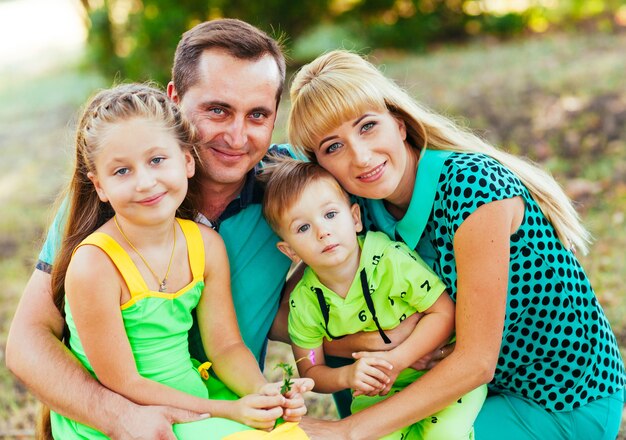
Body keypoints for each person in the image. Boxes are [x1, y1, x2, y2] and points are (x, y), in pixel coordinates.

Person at [287, 50, 626, 439]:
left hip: (557, 397)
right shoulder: (355, 208)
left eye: (367, 126)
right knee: (338, 311)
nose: (361, 157)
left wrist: (346, 431)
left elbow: (476, 362)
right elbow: (292, 318)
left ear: (399, 124)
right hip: (466, 390)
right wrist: (389, 342)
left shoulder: (472, 186)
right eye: (333, 147)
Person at [6, 19, 314, 439]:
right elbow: (28, 343)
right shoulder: (107, 211)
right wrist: (119, 417)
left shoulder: (294, 191)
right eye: (218, 110)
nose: (237, 136)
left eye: (257, 114)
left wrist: (271, 396)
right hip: (139, 411)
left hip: (216, 393)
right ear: (175, 100)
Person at [261, 159, 487, 439]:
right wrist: (348, 376)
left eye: (330, 214)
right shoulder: (305, 304)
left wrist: (397, 359)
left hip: (440, 381)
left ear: (355, 218)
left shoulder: (390, 261)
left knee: (443, 436)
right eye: (303, 228)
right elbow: (310, 367)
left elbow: (443, 312)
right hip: (376, 397)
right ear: (290, 251)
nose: (323, 231)